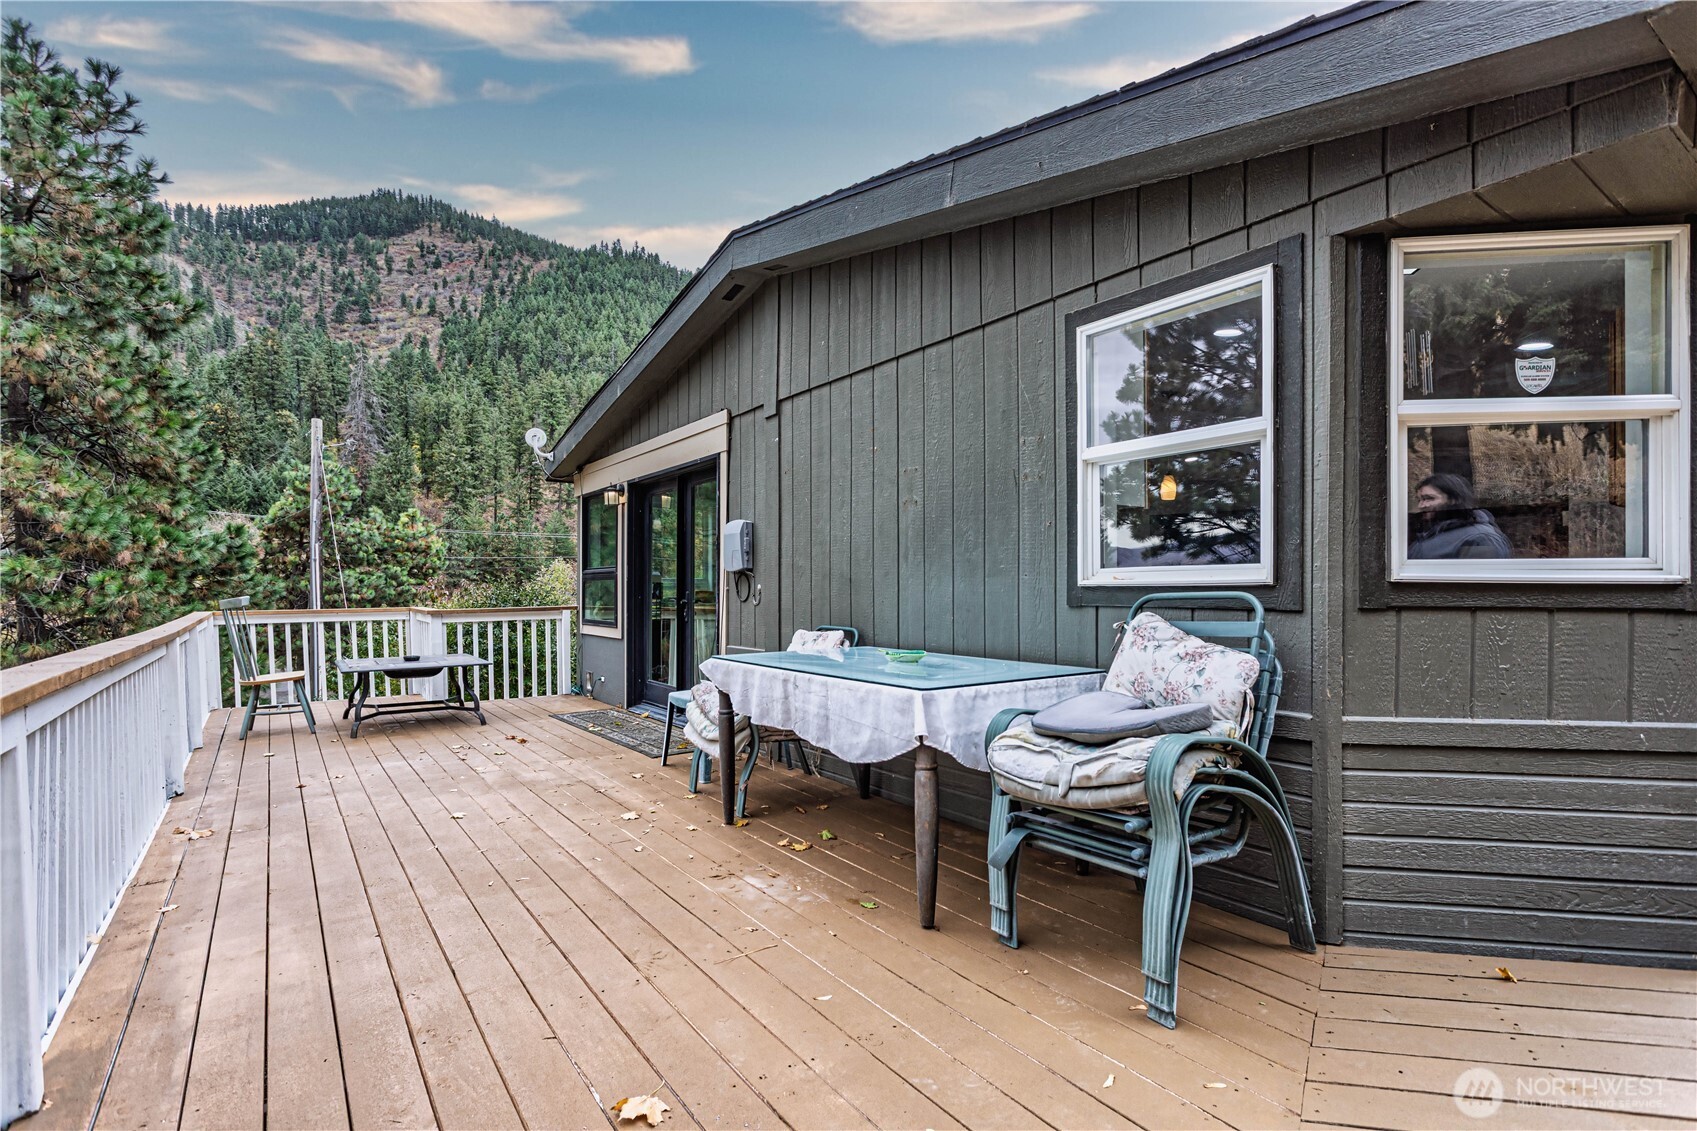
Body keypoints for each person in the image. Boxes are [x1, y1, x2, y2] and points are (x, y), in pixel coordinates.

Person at [1409, 473, 1512, 559]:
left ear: (1454, 500)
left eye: (1429, 498)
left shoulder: (1480, 538)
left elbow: (1481, 580)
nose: (1421, 506)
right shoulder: (1433, 533)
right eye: (1420, 500)